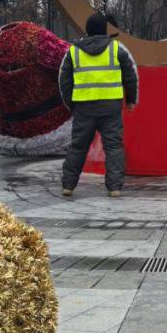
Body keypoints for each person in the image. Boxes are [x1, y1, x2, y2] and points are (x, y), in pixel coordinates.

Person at [58, 12, 139, 197]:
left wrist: (71, 104)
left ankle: (68, 186)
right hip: (110, 107)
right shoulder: (116, 49)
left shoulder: (73, 51)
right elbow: (130, 76)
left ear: (87, 30)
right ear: (104, 29)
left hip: (83, 108)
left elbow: (64, 81)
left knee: (78, 146)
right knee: (113, 147)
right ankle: (114, 188)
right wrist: (131, 100)